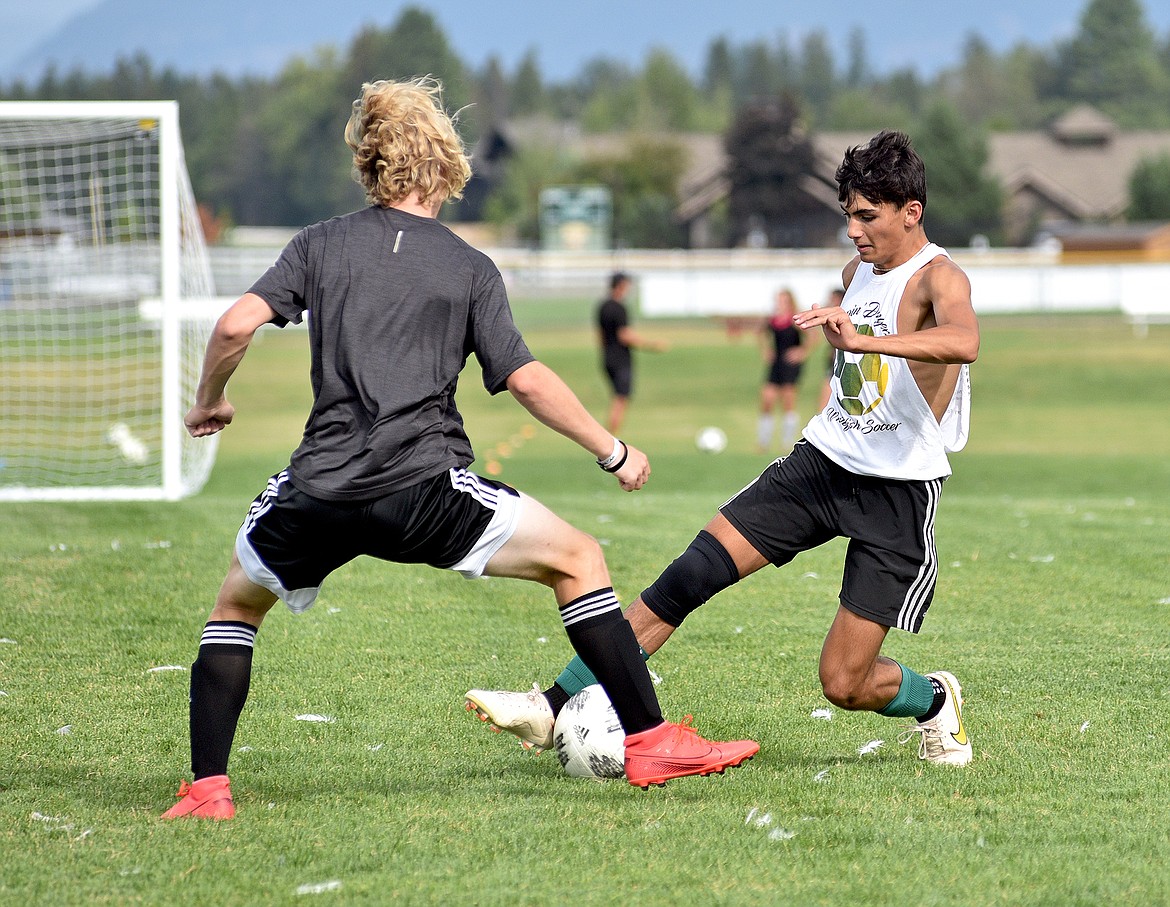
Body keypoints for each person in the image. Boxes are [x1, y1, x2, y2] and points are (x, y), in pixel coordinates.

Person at [161, 77, 757, 820]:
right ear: (443, 161)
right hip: (423, 491)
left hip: (319, 489)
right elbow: (529, 380)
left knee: (236, 604)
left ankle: (209, 790)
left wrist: (210, 399)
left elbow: (232, 326)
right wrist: (612, 449)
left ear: (372, 163)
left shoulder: (317, 244)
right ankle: (651, 740)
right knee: (579, 560)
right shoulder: (469, 266)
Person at [466, 130, 979, 768]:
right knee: (692, 572)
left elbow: (963, 341)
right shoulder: (855, 272)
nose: (853, 230)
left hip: (894, 493)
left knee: (844, 683)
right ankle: (552, 704)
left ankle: (933, 701)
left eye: (867, 216)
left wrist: (864, 345)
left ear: (912, 212)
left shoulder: (940, 277)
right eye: (847, 214)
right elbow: (857, 355)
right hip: (819, 465)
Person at [597, 272, 668, 434]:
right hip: (621, 359)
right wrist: (652, 345)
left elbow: (600, 335)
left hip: (607, 357)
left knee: (617, 396)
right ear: (620, 286)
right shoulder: (619, 308)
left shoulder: (603, 306)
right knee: (620, 398)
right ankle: (611, 439)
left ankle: (610, 437)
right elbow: (625, 335)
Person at [756, 288, 810, 452]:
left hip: (790, 364)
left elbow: (812, 336)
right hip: (776, 363)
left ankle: (787, 443)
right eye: (777, 300)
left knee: (788, 401)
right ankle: (763, 443)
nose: (778, 303)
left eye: (782, 300)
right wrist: (766, 350)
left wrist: (802, 352)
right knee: (767, 400)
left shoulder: (794, 319)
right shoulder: (772, 319)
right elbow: (759, 333)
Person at [818, 287, 846, 409]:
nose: (830, 302)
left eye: (833, 299)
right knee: (825, 400)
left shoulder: (846, 316)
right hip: (834, 361)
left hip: (846, 362)